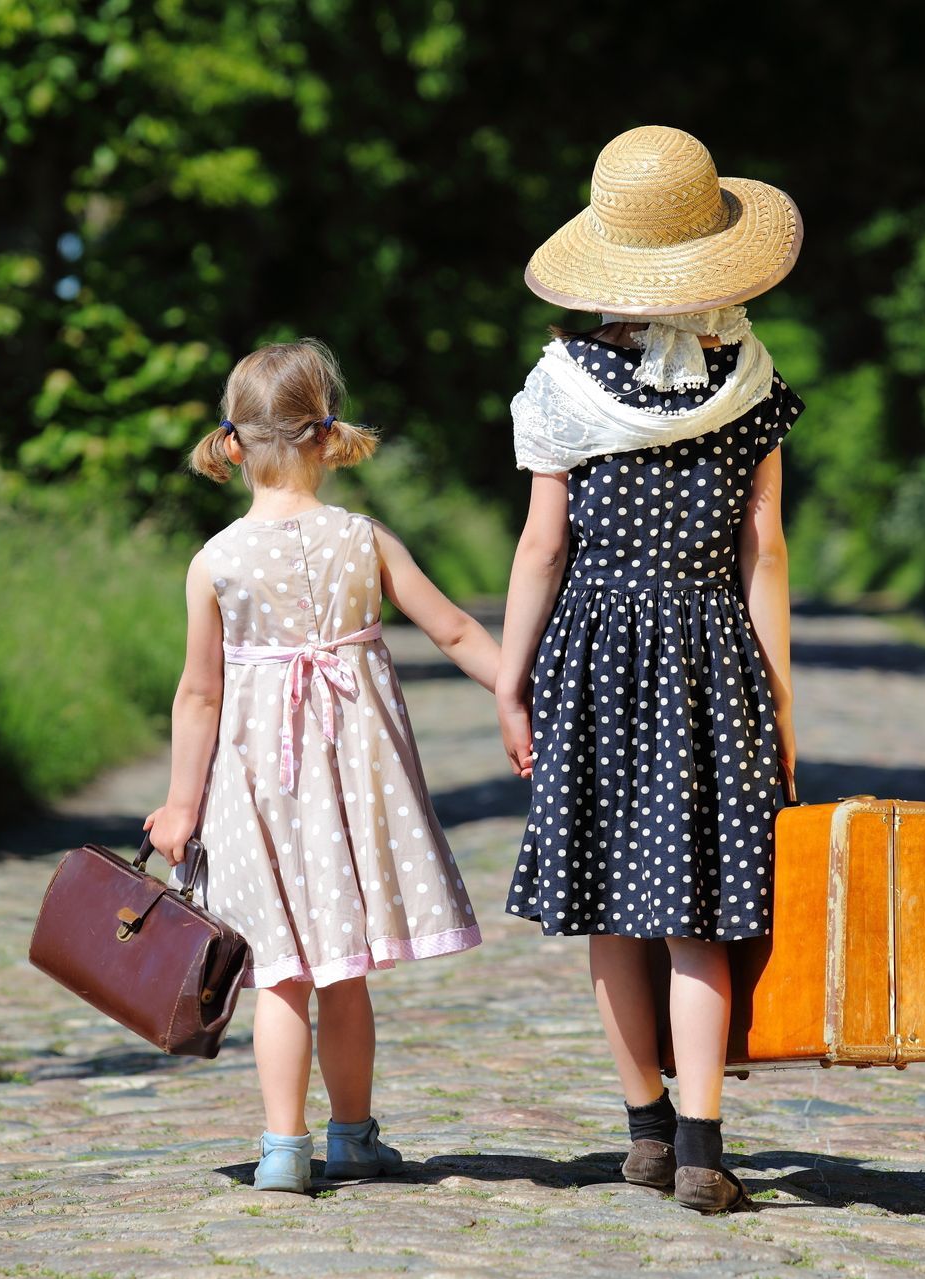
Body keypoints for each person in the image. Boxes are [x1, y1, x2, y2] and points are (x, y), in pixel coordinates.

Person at [495, 126, 802, 1214]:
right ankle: (705, 1147)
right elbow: (765, 554)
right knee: (700, 909)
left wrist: (510, 679)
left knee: (610, 901)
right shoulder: (752, 385)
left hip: (592, 659)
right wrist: (781, 702)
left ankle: (645, 1132)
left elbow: (542, 549)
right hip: (713, 660)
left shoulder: (563, 386)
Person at [145, 338, 499, 1195]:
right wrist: (523, 699)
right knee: (343, 970)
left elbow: (199, 695)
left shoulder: (215, 560)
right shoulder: (362, 538)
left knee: (279, 972)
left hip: (255, 792)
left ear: (232, 444)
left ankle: (282, 1149)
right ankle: (352, 1138)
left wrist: (180, 806)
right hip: (355, 785)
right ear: (328, 435)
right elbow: (454, 629)